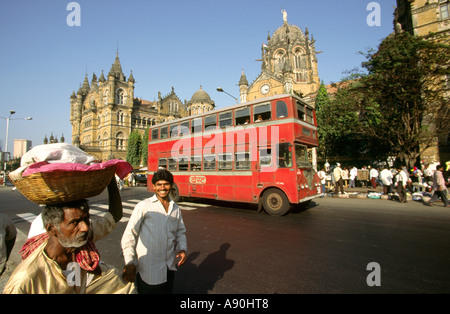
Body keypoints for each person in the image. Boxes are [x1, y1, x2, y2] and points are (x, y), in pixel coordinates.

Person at [3, 178, 135, 294]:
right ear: (51, 229)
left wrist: (110, 178)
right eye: (74, 222)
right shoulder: (25, 279)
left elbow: (113, 217)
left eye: (87, 219)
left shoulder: (78, 241)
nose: (85, 227)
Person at [121, 169, 187, 294]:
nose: (162, 188)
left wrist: (182, 248)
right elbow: (130, 234)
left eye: (166, 184)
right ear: (154, 186)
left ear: (171, 185)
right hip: (149, 270)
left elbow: (180, 231)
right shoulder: (144, 206)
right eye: (159, 184)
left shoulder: (175, 208)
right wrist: (129, 261)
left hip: (169, 267)